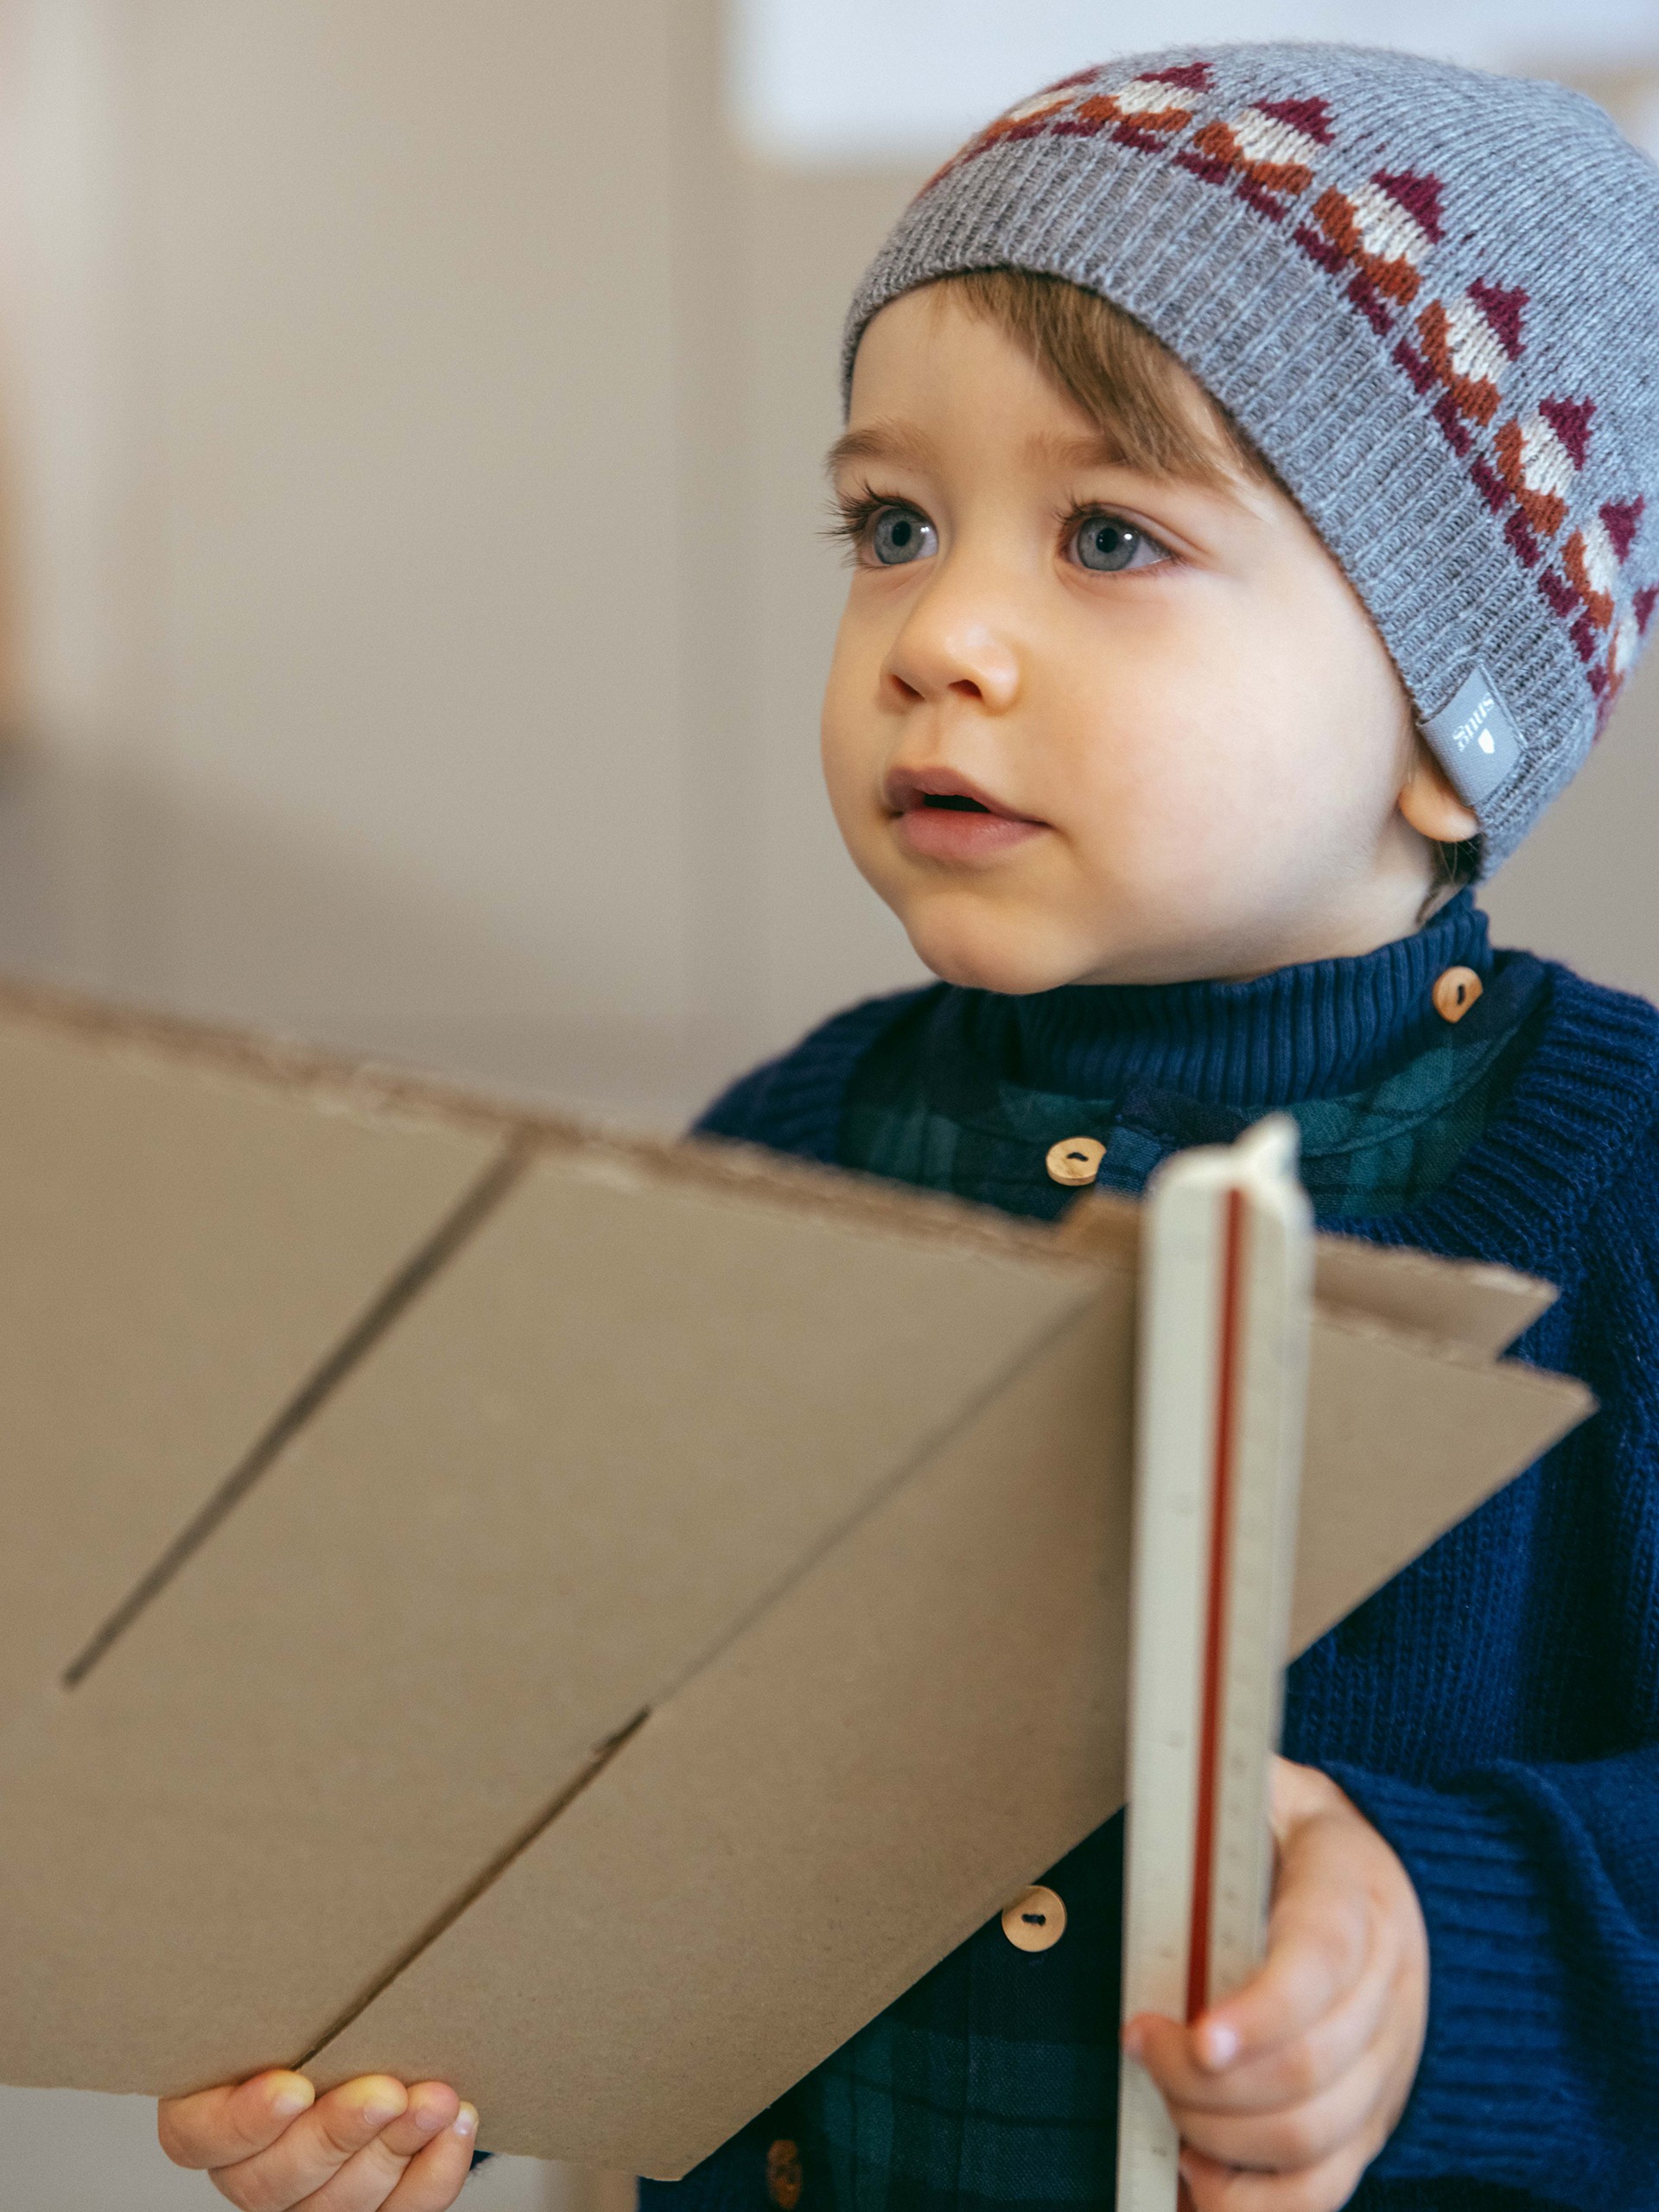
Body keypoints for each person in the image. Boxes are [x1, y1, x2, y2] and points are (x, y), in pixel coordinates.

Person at [158, 41, 1659, 2212]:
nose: (941, 635)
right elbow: (569, 1767)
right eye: (892, 526)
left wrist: (1450, 1952)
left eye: (1114, 534)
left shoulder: (1617, 1196)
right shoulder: (791, 1149)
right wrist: (378, 2038)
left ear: (1453, 716)